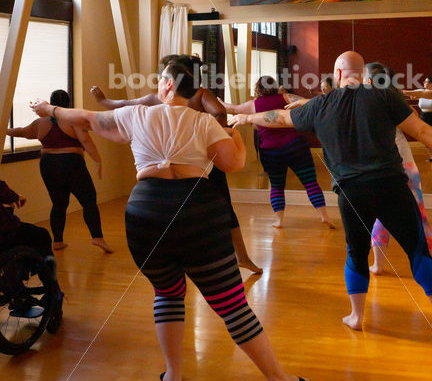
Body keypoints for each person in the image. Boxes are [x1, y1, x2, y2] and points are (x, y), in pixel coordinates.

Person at [31, 61, 306, 381]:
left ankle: (173, 375)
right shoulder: (204, 123)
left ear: (168, 86)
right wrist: (236, 136)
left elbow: (84, 117)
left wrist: (48, 108)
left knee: (168, 293)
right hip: (198, 214)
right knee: (232, 305)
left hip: (145, 215)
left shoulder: (136, 116)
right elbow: (233, 163)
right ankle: (279, 379)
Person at [229, 51, 432, 333]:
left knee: (356, 255)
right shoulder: (384, 96)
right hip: (391, 187)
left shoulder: (320, 105)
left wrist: (247, 119)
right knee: (417, 250)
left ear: (338, 73)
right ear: (362, 72)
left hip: (351, 193)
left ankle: (357, 317)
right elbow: (421, 131)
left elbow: (280, 118)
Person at [90, 54, 261, 274]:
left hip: (199, 161)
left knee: (219, 209)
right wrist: (103, 101)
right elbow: (123, 104)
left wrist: (210, 132)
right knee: (210, 210)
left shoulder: (197, 94)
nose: (162, 79)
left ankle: (241, 257)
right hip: (194, 162)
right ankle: (224, 257)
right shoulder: (172, 97)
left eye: (165, 73)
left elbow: (219, 113)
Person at [363, 63, 432, 276]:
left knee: (383, 216)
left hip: (385, 168)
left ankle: (379, 264)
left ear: (370, 81)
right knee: (415, 215)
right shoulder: (389, 100)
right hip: (399, 166)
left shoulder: (369, 102)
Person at [221, 76, 334, 229]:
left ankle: (279, 221)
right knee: (310, 182)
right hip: (296, 147)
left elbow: (233, 109)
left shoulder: (254, 104)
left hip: (271, 151)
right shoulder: (287, 97)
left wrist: (220, 103)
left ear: (258, 89)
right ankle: (324, 216)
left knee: (276, 186)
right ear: (275, 87)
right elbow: (311, 104)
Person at [6, 90, 112, 253]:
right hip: (71, 163)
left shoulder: (40, 122)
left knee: (59, 203)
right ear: (68, 103)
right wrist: (98, 160)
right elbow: (85, 140)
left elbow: (21, 131)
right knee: (88, 200)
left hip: (48, 164)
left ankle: (58, 241)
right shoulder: (72, 119)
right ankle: (97, 237)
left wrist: (4, 130)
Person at [0, 179, 63, 320]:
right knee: (42, 236)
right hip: (5, 235)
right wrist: (16, 197)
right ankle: (54, 291)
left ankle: (16, 283)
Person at [416, 76, 432, 162]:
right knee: (426, 138)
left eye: (426, 82)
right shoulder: (421, 92)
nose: (424, 83)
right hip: (424, 117)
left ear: (431, 84)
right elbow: (411, 93)